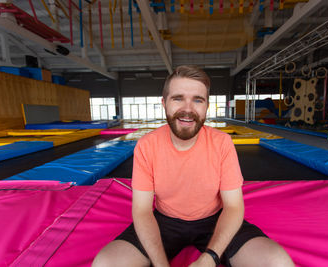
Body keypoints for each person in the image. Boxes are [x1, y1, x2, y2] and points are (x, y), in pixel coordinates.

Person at [93, 65, 294, 267]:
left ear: (206, 106)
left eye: (197, 100)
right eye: (178, 98)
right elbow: (142, 210)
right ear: (164, 103)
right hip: (164, 222)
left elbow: (233, 207)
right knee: (105, 264)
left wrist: (210, 258)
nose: (188, 109)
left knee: (278, 263)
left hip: (215, 220)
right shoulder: (147, 145)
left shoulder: (222, 143)